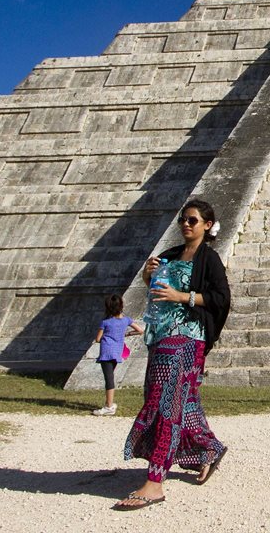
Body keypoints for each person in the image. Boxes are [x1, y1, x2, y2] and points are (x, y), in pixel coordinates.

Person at [115, 199, 231, 511]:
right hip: (162, 337)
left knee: (165, 401)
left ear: (207, 225)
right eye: (183, 219)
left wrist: (183, 296)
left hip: (189, 338)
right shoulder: (168, 255)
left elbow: (221, 298)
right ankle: (210, 449)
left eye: (193, 220)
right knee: (182, 400)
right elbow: (155, 291)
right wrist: (147, 276)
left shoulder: (210, 260)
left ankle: (155, 481)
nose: (186, 224)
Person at [92, 294, 143, 416]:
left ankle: (109, 406)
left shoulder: (105, 322)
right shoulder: (126, 320)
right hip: (116, 352)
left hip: (106, 352)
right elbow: (140, 330)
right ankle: (109, 403)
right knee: (111, 376)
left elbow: (98, 339)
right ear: (121, 306)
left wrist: (108, 335)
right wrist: (127, 334)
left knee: (109, 379)